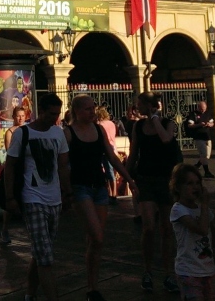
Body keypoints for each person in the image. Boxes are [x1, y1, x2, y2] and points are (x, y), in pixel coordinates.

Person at [64, 95, 138, 301]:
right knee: (97, 236)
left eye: (92, 108)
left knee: (95, 241)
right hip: (81, 187)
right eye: (87, 109)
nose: (92, 112)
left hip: (99, 187)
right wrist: (66, 190)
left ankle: (92, 287)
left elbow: (112, 157)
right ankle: (92, 286)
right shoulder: (68, 133)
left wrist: (128, 178)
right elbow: (61, 163)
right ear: (76, 111)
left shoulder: (99, 130)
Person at [4, 93, 71, 301]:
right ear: (40, 111)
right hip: (32, 198)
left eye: (58, 114)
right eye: (51, 114)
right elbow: (10, 166)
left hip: (54, 199)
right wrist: (10, 198)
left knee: (42, 251)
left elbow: (62, 166)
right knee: (46, 257)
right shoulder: (22, 134)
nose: (55, 118)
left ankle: (30, 293)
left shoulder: (58, 134)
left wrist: (67, 193)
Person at [128, 91, 182, 294]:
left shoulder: (168, 123)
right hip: (146, 180)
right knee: (149, 227)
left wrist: (155, 118)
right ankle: (148, 270)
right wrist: (127, 176)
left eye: (139, 104)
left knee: (167, 229)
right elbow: (134, 153)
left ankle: (169, 273)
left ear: (150, 106)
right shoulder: (138, 126)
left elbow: (166, 139)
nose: (136, 107)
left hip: (166, 180)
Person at [170, 163, 215, 301]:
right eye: (189, 183)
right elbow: (202, 230)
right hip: (189, 271)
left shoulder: (203, 211)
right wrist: (205, 204)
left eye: (197, 183)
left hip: (208, 269)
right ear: (178, 187)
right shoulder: (178, 210)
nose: (195, 187)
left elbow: (213, 236)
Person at [1, 107, 29, 243]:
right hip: (16, 169)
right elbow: (9, 151)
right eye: (18, 116)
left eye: (23, 116)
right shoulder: (10, 132)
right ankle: (5, 229)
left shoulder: (29, 130)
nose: (21, 118)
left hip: (27, 168)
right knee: (12, 202)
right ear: (13, 117)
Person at [183, 101, 215, 179]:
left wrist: (209, 124)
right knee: (203, 155)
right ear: (198, 107)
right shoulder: (193, 114)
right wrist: (199, 125)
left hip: (207, 137)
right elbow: (190, 125)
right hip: (199, 137)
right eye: (201, 109)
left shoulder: (207, 113)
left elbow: (212, 123)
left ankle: (197, 165)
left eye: (204, 109)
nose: (203, 111)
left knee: (207, 156)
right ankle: (207, 172)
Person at [95, 106, 119, 197]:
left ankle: (111, 193)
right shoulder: (112, 123)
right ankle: (113, 193)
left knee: (107, 171)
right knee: (111, 171)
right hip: (112, 146)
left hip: (105, 148)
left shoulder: (100, 125)